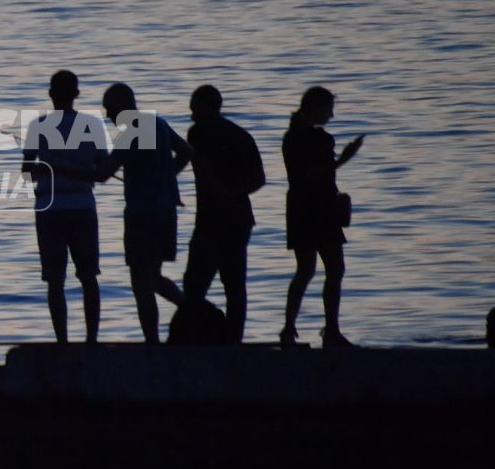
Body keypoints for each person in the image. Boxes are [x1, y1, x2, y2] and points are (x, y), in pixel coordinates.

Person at [22, 70, 118, 342]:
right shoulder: (93, 124)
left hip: (49, 208)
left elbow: (26, 173)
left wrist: (47, 169)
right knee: (89, 276)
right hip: (83, 207)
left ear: (51, 93)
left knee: (55, 280)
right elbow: (102, 167)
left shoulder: (37, 126)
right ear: (76, 94)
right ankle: (91, 340)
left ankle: (62, 340)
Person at [102, 82, 192, 343]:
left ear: (123, 106)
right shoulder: (158, 124)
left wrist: (72, 165)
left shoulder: (131, 131)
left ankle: (152, 342)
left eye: (110, 109)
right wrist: (167, 176)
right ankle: (190, 309)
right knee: (153, 277)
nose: (107, 116)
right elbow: (187, 152)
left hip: (143, 214)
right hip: (166, 211)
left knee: (141, 282)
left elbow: (104, 173)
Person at [180, 84, 266, 343]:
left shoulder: (198, 133)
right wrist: (236, 194)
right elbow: (259, 179)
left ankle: (196, 336)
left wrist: (224, 196)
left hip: (213, 219)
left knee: (195, 284)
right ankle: (232, 340)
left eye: (195, 107)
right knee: (234, 284)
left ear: (207, 107)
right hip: (239, 218)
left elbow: (204, 174)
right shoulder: (241, 135)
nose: (191, 113)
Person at [281, 84, 364, 348]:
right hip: (319, 208)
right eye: (329, 108)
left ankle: (289, 328)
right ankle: (331, 330)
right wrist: (346, 158)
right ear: (316, 108)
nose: (332, 115)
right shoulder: (320, 139)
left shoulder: (290, 136)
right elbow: (319, 174)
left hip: (298, 208)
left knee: (305, 270)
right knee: (335, 268)